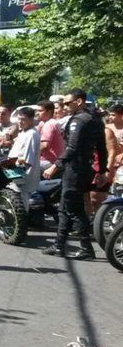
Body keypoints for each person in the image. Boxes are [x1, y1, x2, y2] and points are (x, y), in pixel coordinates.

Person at [43, 88, 109, 260]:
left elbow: (72, 148)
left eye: (67, 103)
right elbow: (102, 149)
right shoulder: (95, 120)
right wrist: (101, 170)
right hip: (84, 169)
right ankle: (59, 245)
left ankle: (86, 248)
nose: (64, 106)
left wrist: (55, 166)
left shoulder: (79, 121)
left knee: (74, 209)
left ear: (78, 101)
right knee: (65, 208)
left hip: (75, 169)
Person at [7, 106, 42, 208]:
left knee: (21, 204)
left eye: (23, 119)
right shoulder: (24, 132)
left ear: (31, 120)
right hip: (17, 173)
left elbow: (26, 160)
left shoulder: (31, 134)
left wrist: (16, 173)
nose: (20, 122)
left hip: (23, 175)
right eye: (19, 119)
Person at [36, 100, 65, 171]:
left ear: (49, 112)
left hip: (50, 162)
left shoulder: (49, 124)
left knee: (23, 167)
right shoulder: (51, 122)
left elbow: (45, 146)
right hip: (57, 161)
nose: (37, 113)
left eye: (40, 111)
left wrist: (32, 153)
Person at [107, 102, 123, 172]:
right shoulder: (107, 128)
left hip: (120, 162)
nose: (110, 117)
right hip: (108, 160)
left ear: (121, 115)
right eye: (109, 115)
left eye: (113, 115)